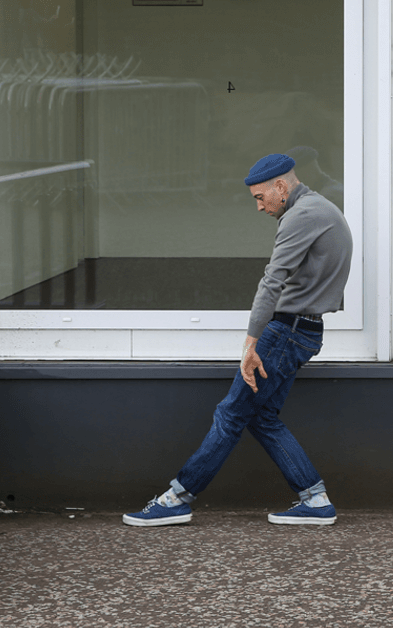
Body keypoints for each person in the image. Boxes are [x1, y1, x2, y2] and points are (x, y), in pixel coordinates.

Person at [123, 152, 354, 527]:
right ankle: (315, 499)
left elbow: (272, 282)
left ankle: (177, 498)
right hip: (305, 330)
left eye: (261, 197)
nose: (259, 207)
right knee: (261, 417)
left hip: (286, 332)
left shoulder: (301, 215)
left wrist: (250, 345)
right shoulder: (322, 208)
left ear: (281, 186)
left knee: (230, 414)